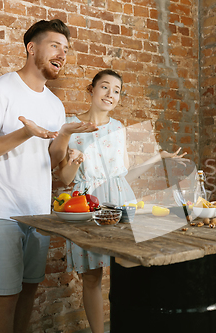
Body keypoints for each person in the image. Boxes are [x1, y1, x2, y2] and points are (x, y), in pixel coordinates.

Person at [0, 19, 97, 333]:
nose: (62, 54)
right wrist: (24, 132)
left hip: (39, 214)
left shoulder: (54, 104)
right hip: (2, 213)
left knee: (28, 293)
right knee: (5, 297)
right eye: (55, 45)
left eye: (66, 49)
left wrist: (65, 132)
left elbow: (53, 162)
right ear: (31, 48)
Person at [57, 69, 187, 333]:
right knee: (91, 276)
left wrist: (157, 158)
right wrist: (74, 161)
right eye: (105, 87)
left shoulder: (117, 128)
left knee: (130, 270)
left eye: (116, 91)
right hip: (88, 204)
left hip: (120, 202)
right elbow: (65, 179)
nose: (110, 94)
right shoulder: (71, 126)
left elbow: (124, 175)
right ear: (91, 90)